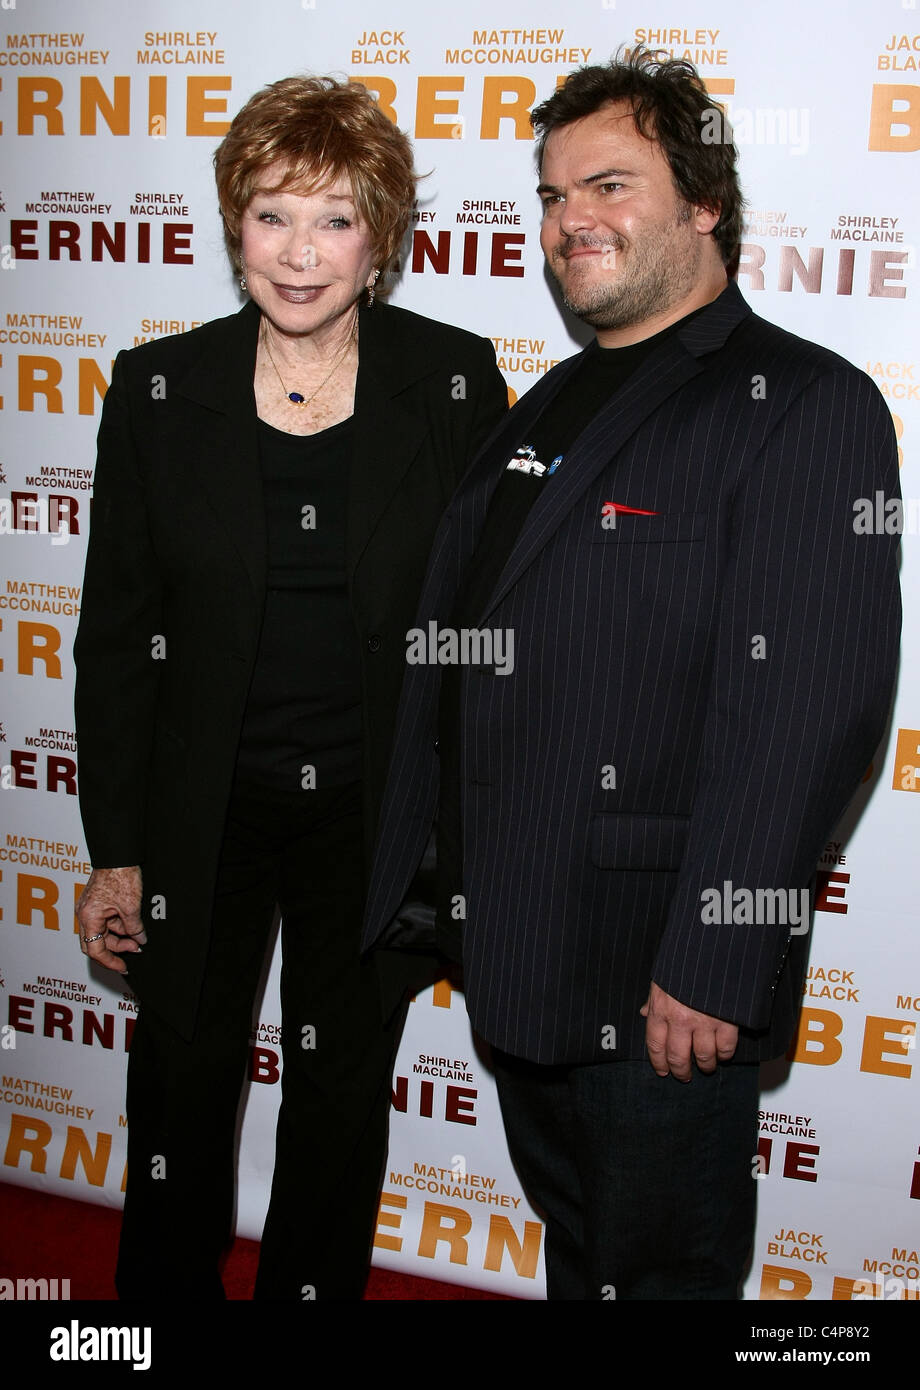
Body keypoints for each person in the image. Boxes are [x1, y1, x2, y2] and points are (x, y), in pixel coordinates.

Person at [362, 49, 901, 1299]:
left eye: (608, 185)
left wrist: (714, 956)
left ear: (702, 202)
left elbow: (810, 709)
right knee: (585, 1253)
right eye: (551, 197)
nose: (570, 221)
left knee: (660, 1272)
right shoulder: (548, 397)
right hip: (525, 946)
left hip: (661, 972)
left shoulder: (804, 402)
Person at [73, 74, 507, 1301]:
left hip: (373, 812)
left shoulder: (453, 379)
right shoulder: (160, 391)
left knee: (338, 1087)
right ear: (231, 228)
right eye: (271, 215)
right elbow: (115, 642)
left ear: (382, 237)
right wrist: (118, 847)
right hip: (201, 808)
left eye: (333, 218)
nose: (299, 253)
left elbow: (485, 618)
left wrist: (464, 834)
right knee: (177, 1079)